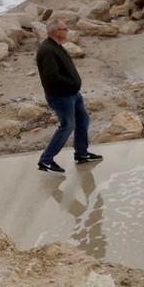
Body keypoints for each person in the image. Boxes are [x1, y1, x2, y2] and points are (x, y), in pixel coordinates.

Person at [35, 18, 100, 173]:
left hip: (72, 94)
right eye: (64, 28)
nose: (68, 30)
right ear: (56, 32)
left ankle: (81, 154)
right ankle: (46, 160)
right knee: (67, 126)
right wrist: (72, 84)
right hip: (61, 97)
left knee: (83, 119)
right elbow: (52, 77)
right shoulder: (47, 50)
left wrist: (74, 86)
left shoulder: (57, 46)